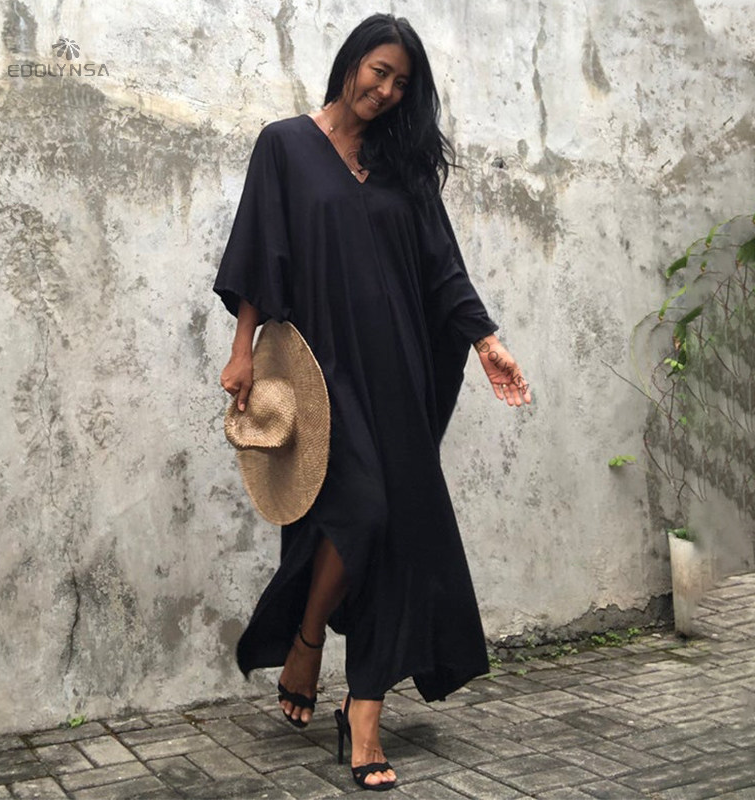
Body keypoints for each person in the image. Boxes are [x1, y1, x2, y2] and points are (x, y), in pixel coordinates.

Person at [214, 13, 532, 791]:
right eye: (378, 71)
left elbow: (442, 268)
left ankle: (363, 718)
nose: (385, 90)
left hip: (399, 369)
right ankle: (307, 640)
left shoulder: (402, 166)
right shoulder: (285, 146)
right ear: (351, 61)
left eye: (400, 83)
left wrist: (486, 341)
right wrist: (242, 347)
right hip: (322, 370)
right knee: (363, 512)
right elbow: (258, 249)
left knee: (393, 531)